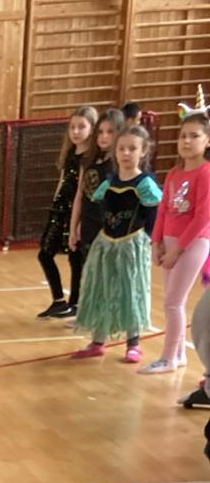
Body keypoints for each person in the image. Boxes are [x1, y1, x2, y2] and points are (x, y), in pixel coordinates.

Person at [73, 125, 164, 363]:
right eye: (121, 148)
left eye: (132, 149)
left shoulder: (144, 183)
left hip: (131, 246)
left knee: (130, 291)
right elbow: (99, 209)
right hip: (106, 244)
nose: (126, 153)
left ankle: (133, 343)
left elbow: (154, 215)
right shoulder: (110, 181)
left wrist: (150, 240)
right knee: (101, 289)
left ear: (143, 151)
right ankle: (97, 341)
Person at [145, 111, 210, 375]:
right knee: (173, 302)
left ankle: (168, 358)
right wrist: (156, 242)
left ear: (207, 140)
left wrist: (178, 250)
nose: (187, 141)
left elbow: (202, 217)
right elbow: (163, 210)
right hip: (170, 242)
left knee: (173, 302)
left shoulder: (206, 173)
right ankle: (179, 354)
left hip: (193, 243)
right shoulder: (174, 173)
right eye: (183, 136)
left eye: (194, 136)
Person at [37, 105, 97, 318]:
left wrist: (77, 221)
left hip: (76, 211)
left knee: (75, 257)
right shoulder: (70, 153)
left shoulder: (89, 157)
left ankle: (75, 304)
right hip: (60, 209)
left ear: (92, 128)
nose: (76, 132)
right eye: (72, 127)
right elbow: (62, 181)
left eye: (81, 127)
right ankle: (58, 300)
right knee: (45, 253)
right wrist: (54, 206)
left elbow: (81, 191)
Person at [68, 108, 124, 305]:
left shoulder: (118, 165)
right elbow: (80, 196)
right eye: (100, 132)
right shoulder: (88, 161)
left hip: (108, 227)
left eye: (110, 132)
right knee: (88, 273)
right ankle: (88, 312)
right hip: (89, 225)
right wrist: (73, 227)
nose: (104, 137)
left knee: (107, 276)